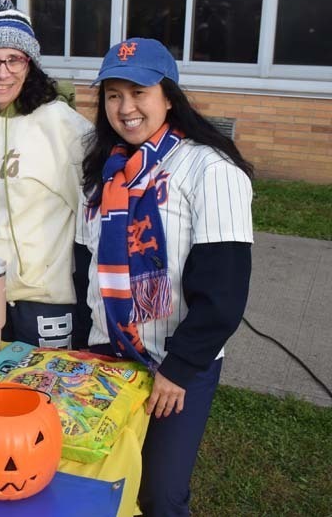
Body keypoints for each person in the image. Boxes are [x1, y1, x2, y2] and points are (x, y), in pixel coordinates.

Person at [74, 37, 254, 516]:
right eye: (113, 94)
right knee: (104, 480)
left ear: (168, 95)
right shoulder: (101, 171)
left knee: (159, 494)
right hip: (105, 354)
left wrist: (177, 371)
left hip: (176, 366)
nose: (125, 107)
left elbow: (225, 291)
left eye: (139, 92)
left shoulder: (210, 170)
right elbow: (83, 265)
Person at [0, 0, 92, 348]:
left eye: (14, 59)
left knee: (47, 399)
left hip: (48, 302)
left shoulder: (63, 125)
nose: (3, 72)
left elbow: (96, 216)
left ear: (30, 64)